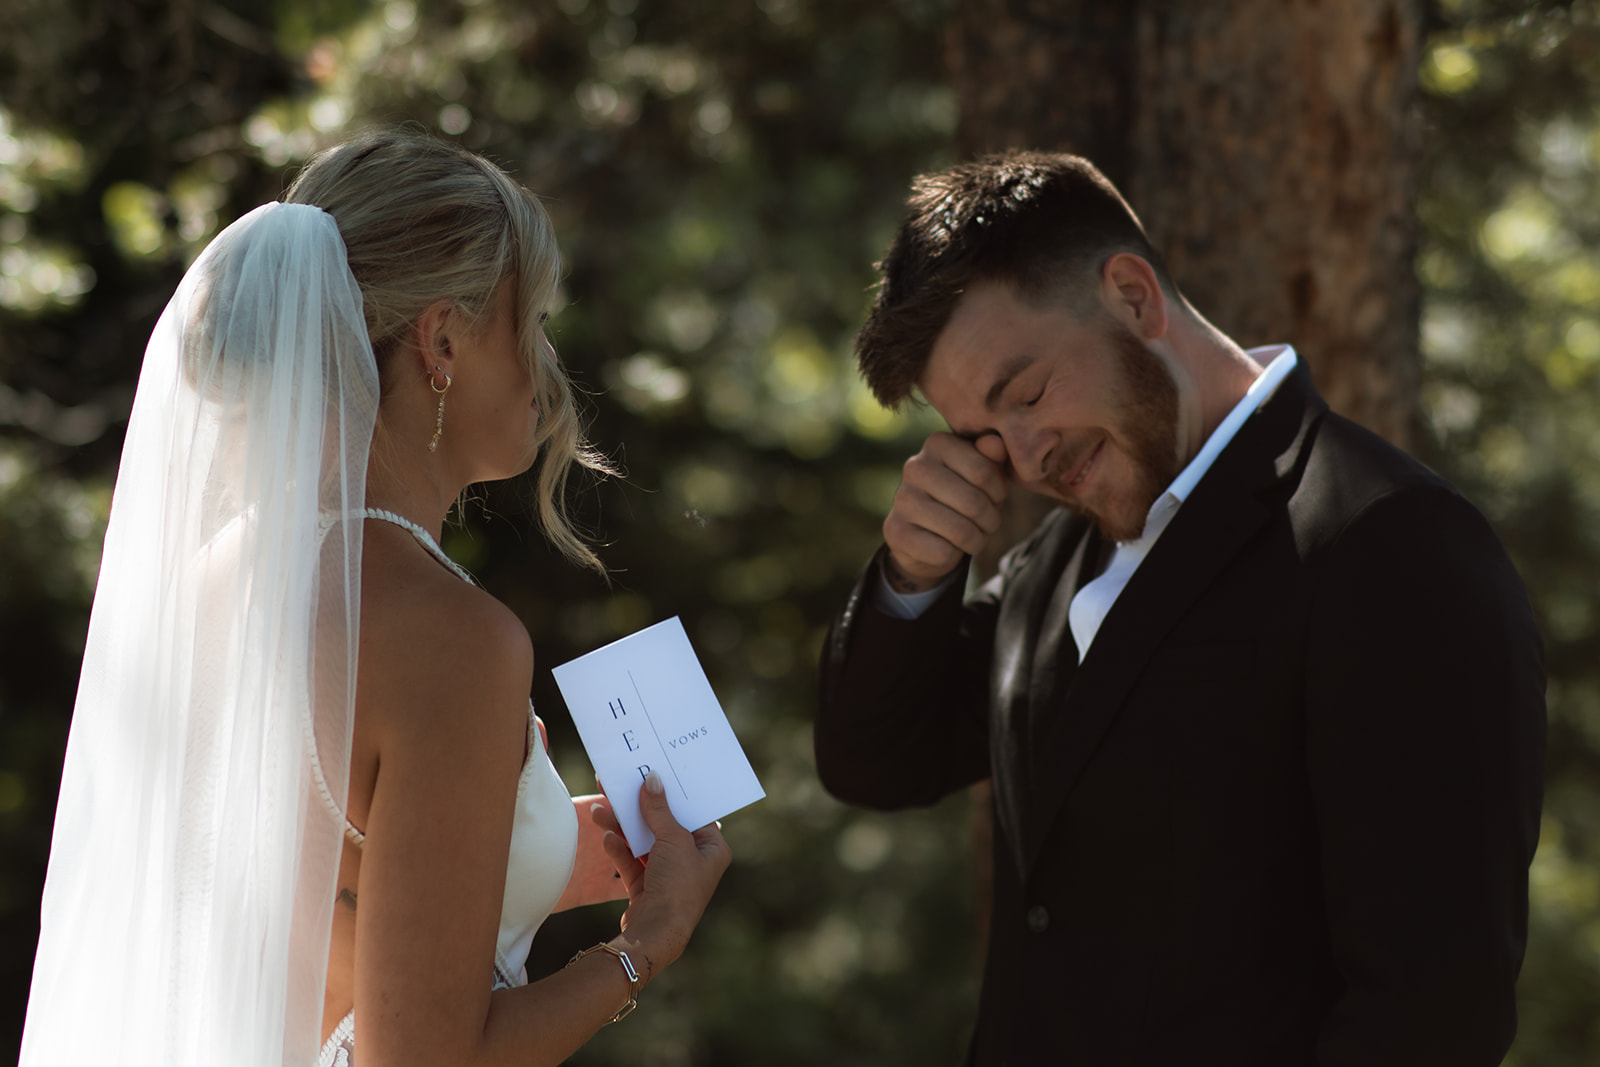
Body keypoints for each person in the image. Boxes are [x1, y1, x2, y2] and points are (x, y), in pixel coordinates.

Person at [814, 151, 1545, 1065]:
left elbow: (1434, 1010)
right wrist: (913, 575)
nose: (1028, 459)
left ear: (1132, 295)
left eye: (1029, 395)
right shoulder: (1054, 561)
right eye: (985, 437)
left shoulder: (1391, 544)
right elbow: (875, 762)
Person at [21, 128, 730, 1067]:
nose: (546, 368)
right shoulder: (453, 637)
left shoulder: (211, 580)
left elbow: (317, 883)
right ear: (442, 340)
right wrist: (645, 946)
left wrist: (533, 842)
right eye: (536, 323)